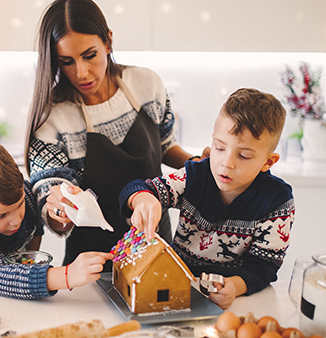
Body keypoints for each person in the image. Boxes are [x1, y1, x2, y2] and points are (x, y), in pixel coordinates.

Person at [25, 0, 206, 270]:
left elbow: (167, 146)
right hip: (92, 265)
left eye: (89, 55)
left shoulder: (146, 84)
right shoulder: (52, 119)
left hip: (155, 243)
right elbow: (54, 210)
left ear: (108, 42)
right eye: (67, 62)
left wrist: (204, 166)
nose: (81, 73)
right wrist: (59, 209)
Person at [120, 88, 295, 309]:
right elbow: (137, 189)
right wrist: (143, 199)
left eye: (243, 155)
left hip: (235, 302)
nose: (226, 163)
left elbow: (264, 266)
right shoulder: (195, 176)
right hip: (177, 286)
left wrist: (233, 286)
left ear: (268, 162)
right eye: (220, 147)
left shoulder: (277, 200)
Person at [0, 139, 112, 299]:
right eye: (1, 216)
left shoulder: (27, 193)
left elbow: (35, 230)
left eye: (19, 205)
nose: (16, 220)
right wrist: (66, 275)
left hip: (13, 291)